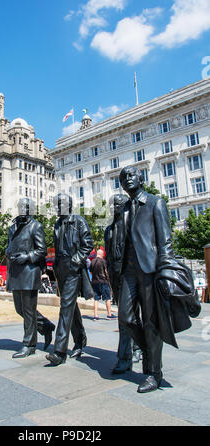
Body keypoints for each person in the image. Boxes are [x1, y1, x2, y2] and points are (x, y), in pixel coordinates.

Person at [115, 165, 175, 393]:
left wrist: (166, 270)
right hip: (129, 270)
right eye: (123, 178)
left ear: (141, 178)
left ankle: (153, 372)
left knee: (151, 321)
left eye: (131, 175)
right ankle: (149, 352)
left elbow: (165, 241)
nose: (128, 179)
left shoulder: (155, 203)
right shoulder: (125, 208)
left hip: (150, 269)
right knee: (126, 317)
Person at [46, 193, 94, 366]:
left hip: (74, 269)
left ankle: (59, 351)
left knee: (65, 307)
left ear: (69, 205)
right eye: (56, 204)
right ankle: (80, 340)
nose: (57, 207)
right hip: (61, 270)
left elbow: (88, 244)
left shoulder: (79, 221)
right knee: (70, 307)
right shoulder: (57, 224)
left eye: (60, 204)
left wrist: (76, 259)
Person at [6, 197, 55, 358]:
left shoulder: (36, 226)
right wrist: (8, 251)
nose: (23, 209)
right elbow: (10, 245)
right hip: (15, 272)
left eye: (26, 207)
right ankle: (45, 326)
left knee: (28, 311)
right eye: (20, 206)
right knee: (20, 309)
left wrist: (26, 256)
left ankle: (29, 344)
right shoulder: (13, 227)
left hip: (29, 271)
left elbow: (42, 250)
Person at [104, 194, 142, 374]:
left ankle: (126, 356)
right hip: (116, 275)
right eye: (112, 205)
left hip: (131, 274)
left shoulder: (132, 225)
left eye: (118, 204)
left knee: (126, 317)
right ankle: (136, 348)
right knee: (127, 315)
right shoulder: (108, 229)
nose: (114, 207)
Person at [90, 249, 115, 320]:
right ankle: (109, 314)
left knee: (96, 299)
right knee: (107, 298)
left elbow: (91, 271)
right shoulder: (103, 261)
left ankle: (95, 315)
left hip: (94, 282)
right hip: (103, 281)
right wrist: (108, 279)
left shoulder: (93, 261)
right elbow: (106, 271)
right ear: (101, 254)